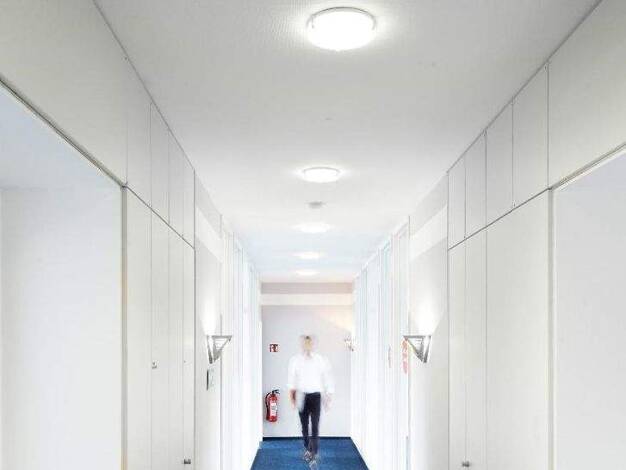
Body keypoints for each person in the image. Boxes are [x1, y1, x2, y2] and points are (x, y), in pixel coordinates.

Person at [287, 335, 334, 468]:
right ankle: (308, 449)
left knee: (315, 427)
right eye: (305, 343)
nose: (307, 345)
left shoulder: (320, 360)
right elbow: (291, 381)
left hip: (316, 397)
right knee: (304, 427)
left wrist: (328, 397)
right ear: (303, 344)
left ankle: (314, 455)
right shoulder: (295, 360)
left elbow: (327, 378)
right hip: (302, 396)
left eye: (310, 343)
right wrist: (292, 399)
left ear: (312, 344)